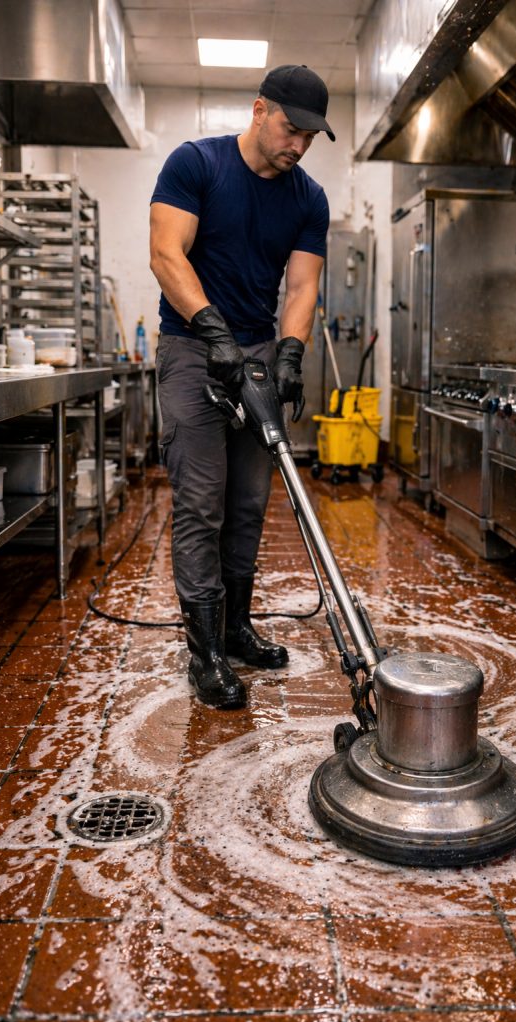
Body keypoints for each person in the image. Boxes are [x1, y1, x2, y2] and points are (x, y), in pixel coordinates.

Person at [149, 65, 333, 711]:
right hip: (191, 348)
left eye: (311, 137)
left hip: (254, 351)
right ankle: (201, 653)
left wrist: (288, 353)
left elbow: (303, 285)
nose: (299, 145)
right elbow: (166, 254)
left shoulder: (308, 198)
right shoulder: (195, 164)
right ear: (259, 110)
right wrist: (213, 333)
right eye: (291, 129)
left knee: (250, 504)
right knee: (203, 503)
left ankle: (233, 630)